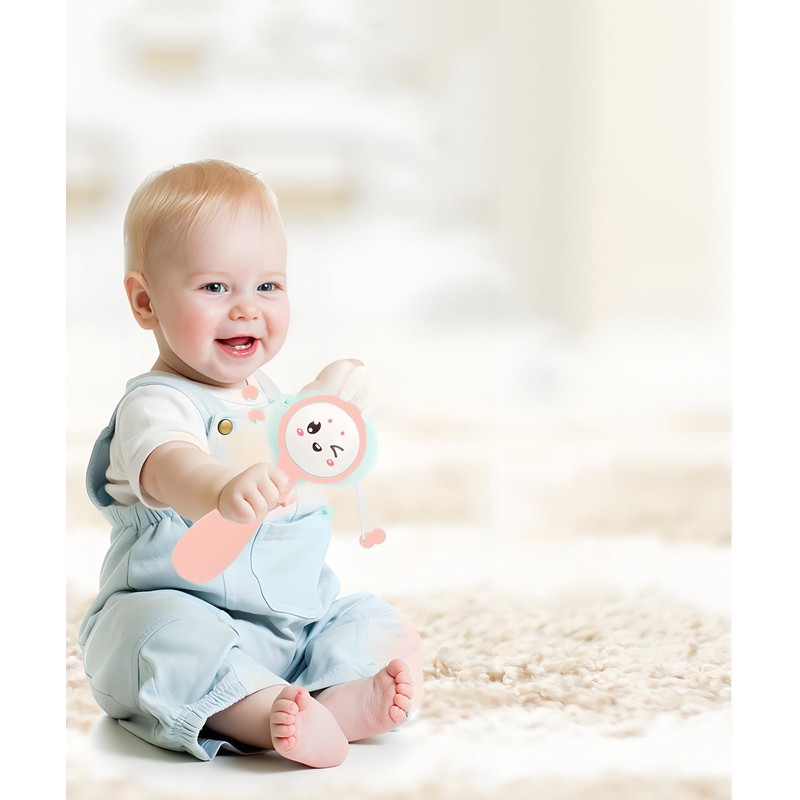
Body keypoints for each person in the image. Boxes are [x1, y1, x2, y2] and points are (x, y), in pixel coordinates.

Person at [78, 159, 424, 769]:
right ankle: (261, 716)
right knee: (160, 639)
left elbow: (299, 449)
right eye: (215, 288)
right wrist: (218, 488)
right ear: (145, 301)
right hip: (183, 613)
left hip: (291, 626)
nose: (246, 309)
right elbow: (169, 464)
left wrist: (323, 403)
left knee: (374, 622)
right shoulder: (156, 404)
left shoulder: (267, 400)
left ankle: (337, 698)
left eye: (268, 286)